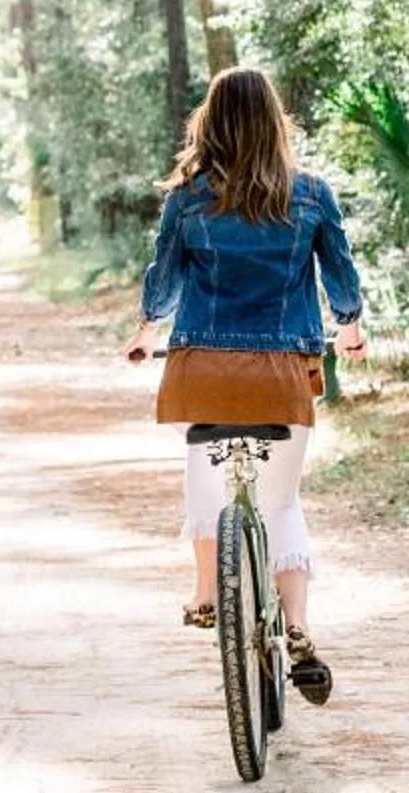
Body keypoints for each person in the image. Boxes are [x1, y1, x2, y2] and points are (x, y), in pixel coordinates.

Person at [119, 66, 368, 704]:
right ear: (275, 123)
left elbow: (165, 283)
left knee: (206, 481)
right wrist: (351, 332)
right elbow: (341, 280)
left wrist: (147, 331)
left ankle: (206, 594)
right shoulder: (311, 194)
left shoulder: (188, 198)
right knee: (279, 503)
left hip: (201, 368)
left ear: (211, 123)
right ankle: (299, 627)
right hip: (282, 373)